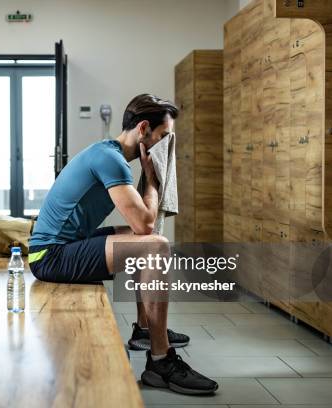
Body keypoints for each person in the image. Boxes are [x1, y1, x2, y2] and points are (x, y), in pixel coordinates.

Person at [28, 94, 218, 395]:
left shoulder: (108, 154)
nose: (165, 146)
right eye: (163, 137)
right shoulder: (111, 159)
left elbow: (139, 228)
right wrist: (152, 181)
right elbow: (145, 224)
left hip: (65, 245)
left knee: (145, 242)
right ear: (143, 129)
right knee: (156, 245)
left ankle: (144, 328)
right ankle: (160, 360)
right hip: (50, 257)